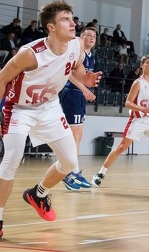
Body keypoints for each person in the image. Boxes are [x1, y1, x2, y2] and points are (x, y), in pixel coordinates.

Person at [0, 0, 102, 243]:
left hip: (49, 107)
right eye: (65, 19)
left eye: (72, 18)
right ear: (51, 27)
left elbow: (75, 68)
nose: (73, 23)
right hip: (20, 109)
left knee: (70, 162)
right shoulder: (30, 53)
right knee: (12, 159)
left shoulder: (76, 45)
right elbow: (1, 80)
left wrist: (85, 79)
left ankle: (38, 194)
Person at [92, 55, 149, 188]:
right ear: (142, 66)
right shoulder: (138, 83)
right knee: (122, 147)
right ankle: (100, 174)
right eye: (147, 63)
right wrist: (142, 108)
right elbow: (127, 103)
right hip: (138, 120)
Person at [58, 26, 98, 190]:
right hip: (71, 93)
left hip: (79, 94)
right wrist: (84, 88)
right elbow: (67, 73)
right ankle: (66, 172)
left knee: (78, 135)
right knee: (72, 135)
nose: (91, 37)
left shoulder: (91, 56)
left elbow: (84, 77)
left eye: (94, 35)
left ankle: (74, 170)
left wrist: (88, 86)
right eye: (88, 34)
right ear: (81, 37)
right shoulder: (78, 52)